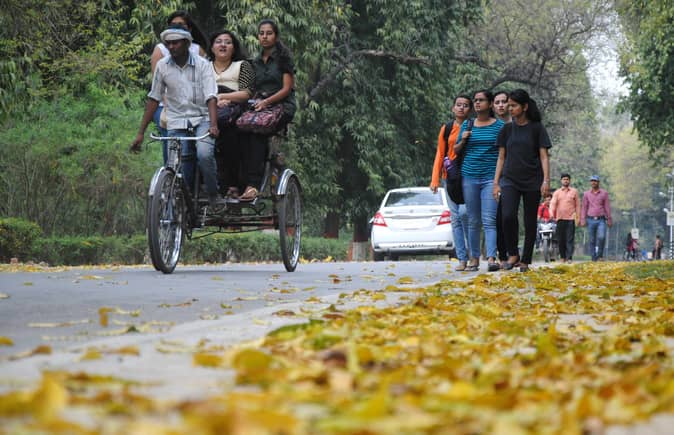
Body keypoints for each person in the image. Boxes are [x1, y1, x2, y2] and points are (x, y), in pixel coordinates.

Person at [130, 26, 224, 208]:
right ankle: (182, 202)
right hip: (176, 119)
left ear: (187, 44)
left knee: (204, 154)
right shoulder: (162, 66)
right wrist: (140, 133)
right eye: (168, 44)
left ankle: (213, 194)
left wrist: (213, 125)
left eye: (175, 43)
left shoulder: (203, 64)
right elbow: (154, 98)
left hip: (202, 118)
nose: (171, 47)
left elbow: (211, 96)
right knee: (175, 163)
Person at [493, 89, 551, 272]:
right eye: (508, 105)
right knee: (507, 216)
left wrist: (546, 181)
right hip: (509, 179)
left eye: (513, 105)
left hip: (532, 180)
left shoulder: (537, 128)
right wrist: (496, 183)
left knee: (529, 220)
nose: (509, 108)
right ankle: (513, 253)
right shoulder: (506, 129)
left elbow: (544, 156)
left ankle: (525, 259)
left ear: (524, 107)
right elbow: (501, 157)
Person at [240, 19, 296, 201]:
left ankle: (253, 185)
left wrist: (266, 102)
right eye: (261, 33)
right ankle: (236, 184)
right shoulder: (254, 62)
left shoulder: (284, 60)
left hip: (282, 106)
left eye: (269, 33)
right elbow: (249, 89)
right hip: (259, 107)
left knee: (258, 132)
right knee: (238, 131)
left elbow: (286, 89)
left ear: (276, 36)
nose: (264, 37)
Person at [455, 90, 504, 272]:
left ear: (490, 104)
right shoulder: (468, 124)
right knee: (473, 220)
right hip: (469, 176)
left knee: (489, 219)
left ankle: (491, 258)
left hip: (490, 178)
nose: (477, 103)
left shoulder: (499, 126)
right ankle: (474, 258)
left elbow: (503, 154)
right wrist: (463, 139)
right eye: (475, 100)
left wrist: (498, 181)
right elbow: (456, 150)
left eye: (481, 100)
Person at [150, 11, 208, 165]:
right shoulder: (161, 50)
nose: (176, 27)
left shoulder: (198, 50)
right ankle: (169, 169)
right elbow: (157, 86)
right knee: (170, 135)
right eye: (173, 25)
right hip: (166, 104)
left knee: (195, 146)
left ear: (189, 28)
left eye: (181, 24)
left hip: (194, 105)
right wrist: (167, 104)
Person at [209, 30, 255, 199]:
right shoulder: (204, 67)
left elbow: (246, 93)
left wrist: (223, 97)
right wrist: (213, 101)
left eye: (227, 42)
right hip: (207, 108)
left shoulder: (242, 66)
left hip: (233, 109)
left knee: (230, 135)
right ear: (212, 47)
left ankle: (232, 184)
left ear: (234, 48)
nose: (223, 45)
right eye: (218, 42)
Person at [430, 95, 472, 271]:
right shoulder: (447, 128)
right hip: (451, 178)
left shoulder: (473, 126)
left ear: (470, 110)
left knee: (465, 214)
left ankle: (473, 255)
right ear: (453, 108)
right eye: (458, 105)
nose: (461, 108)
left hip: (469, 176)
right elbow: (440, 153)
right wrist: (435, 179)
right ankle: (462, 259)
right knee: (455, 218)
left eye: (465, 105)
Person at [493, 90, 510, 268]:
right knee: (496, 218)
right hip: (491, 176)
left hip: (511, 177)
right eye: (497, 102)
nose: (501, 105)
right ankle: (499, 255)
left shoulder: (517, 125)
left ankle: (510, 253)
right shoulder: (489, 125)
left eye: (504, 102)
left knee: (507, 216)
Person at [580, 175, 612, 261]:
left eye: (595, 181)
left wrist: (609, 219)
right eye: (592, 181)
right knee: (591, 239)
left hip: (601, 219)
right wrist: (583, 219)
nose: (593, 182)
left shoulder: (604, 193)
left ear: (598, 182)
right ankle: (593, 257)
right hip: (590, 219)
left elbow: (607, 207)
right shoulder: (586, 194)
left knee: (602, 237)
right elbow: (584, 207)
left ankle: (600, 255)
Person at [550, 173, 581, 263]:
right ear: (561, 181)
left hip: (571, 218)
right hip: (560, 218)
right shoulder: (557, 192)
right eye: (564, 179)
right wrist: (551, 213)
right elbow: (553, 203)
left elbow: (578, 205)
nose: (565, 181)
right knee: (561, 239)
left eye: (567, 179)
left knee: (569, 239)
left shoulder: (574, 192)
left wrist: (578, 217)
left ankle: (569, 257)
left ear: (569, 181)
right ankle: (562, 257)